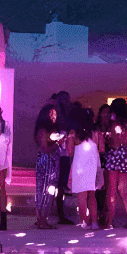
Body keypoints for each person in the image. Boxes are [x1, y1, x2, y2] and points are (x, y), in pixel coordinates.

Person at [103, 99, 127, 230]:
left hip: (114, 158)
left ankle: (109, 222)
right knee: (123, 191)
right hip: (125, 157)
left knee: (112, 191)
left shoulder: (114, 124)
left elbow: (115, 144)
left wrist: (108, 142)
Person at [67, 104, 101, 230]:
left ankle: (84, 221)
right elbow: (100, 148)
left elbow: (70, 151)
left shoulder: (74, 133)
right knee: (92, 194)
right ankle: (95, 222)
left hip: (79, 165)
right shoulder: (95, 131)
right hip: (93, 163)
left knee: (82, 195)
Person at [33, 105, 59, 230]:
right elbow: (45, 149)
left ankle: (42, 220)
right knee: (45, 191)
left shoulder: (49, 131)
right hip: (46, 163)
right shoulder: (43, 131)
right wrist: (59, 143)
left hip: (49, 162)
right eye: (51, 114)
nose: (54, 116)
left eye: (55, 113)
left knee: (47, 191)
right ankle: (41, 221)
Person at [52, 92, 73, 224]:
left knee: (60, 185)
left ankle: (59, 214)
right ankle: (60, 214)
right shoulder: (58, 115)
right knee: (59, 185)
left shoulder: (62, 115)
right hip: (58, 154)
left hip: (63, 154)